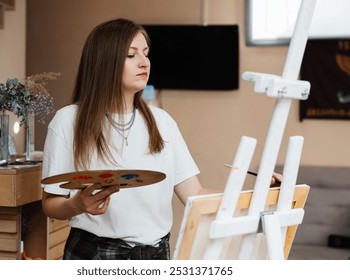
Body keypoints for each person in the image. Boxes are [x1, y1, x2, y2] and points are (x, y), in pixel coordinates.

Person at [41, 18, 281, 260]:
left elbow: (194, 193)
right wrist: (77, 205)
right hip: (94, 253)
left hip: (156, 255)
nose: (144, 62)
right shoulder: (67, 120)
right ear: (105, 61)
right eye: (131, 55)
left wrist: (256, 194)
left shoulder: (162, 122)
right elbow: (50, 203)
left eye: (146, 53)